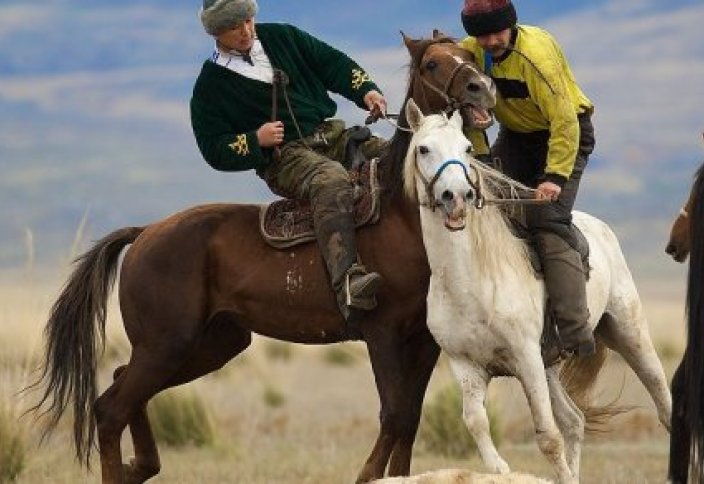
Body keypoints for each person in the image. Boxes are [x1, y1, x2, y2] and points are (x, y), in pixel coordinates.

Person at [191, 0, 389, 323]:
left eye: (248, 20)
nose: (245, 31)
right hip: (284, 159)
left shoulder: (282, 36)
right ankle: (349, 284)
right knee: (331, 180)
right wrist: (256, 141)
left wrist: (366, 91)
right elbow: (212, 147)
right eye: (234, 26)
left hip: (333, 135)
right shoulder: (209, 87)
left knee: (397, 157)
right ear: (215, 31)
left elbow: (331, 63)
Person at [459, 0, 597, 359]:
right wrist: (483, 154)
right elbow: (465, 110)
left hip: (565, 137)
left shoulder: (536, 55)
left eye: (496, 32)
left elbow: (565, 120)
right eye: (481, 34)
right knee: (492, 213)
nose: (489, 41)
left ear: (511, 25)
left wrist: (554, 177)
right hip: (517, 138)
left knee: (545, 220)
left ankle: (574, 335)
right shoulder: (469, 52)